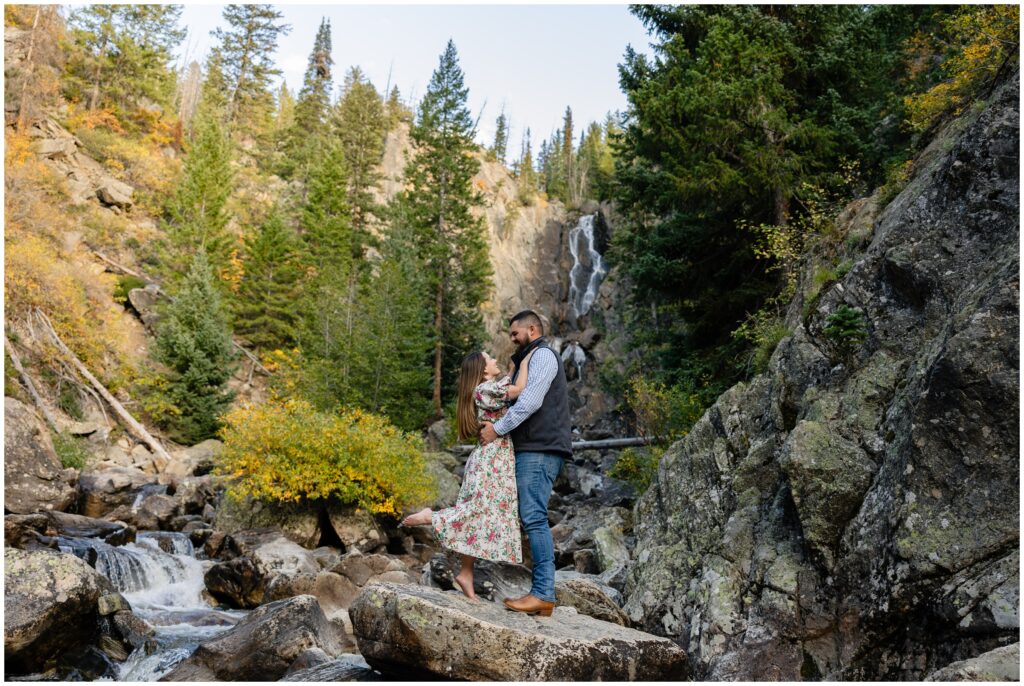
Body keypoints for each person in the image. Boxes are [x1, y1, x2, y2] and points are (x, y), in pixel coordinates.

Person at [400, 350, 532, 600]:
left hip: (491, 457)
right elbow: (521, 388)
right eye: (490, 359)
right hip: (493, 459)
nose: (495, 360)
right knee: (478, 510)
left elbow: (511, 384)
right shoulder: (485, 390)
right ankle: (432, 516)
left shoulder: (488, 388)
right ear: (483, 370)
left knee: (479, 516)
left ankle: (466, 573)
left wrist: (515, 366)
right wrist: (525, 360)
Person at [480, 309, 572, 617]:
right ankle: (541, 593)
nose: (512, 339)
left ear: (532, 329)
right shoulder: (528, 359)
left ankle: (543, 594)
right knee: (532, 516)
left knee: (534, 517)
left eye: (515, 334)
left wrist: (497, 429)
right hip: (535, 447)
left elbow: (531, 401)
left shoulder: (544, 356)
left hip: (541, 448)